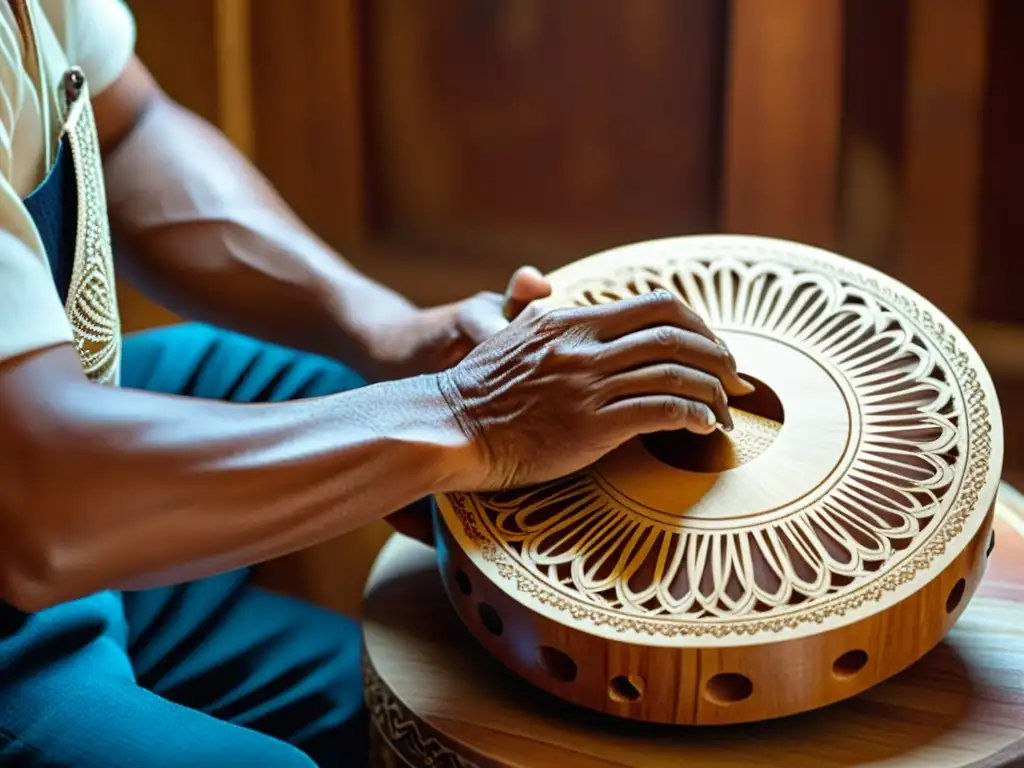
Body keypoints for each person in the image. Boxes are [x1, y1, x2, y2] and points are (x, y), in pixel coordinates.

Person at [0, 1, 751, 765]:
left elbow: (131, 127)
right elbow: (46, 504)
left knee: (347, 388)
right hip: (30, 547)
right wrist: (471, 414)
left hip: (61, 482)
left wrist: (386, 329)